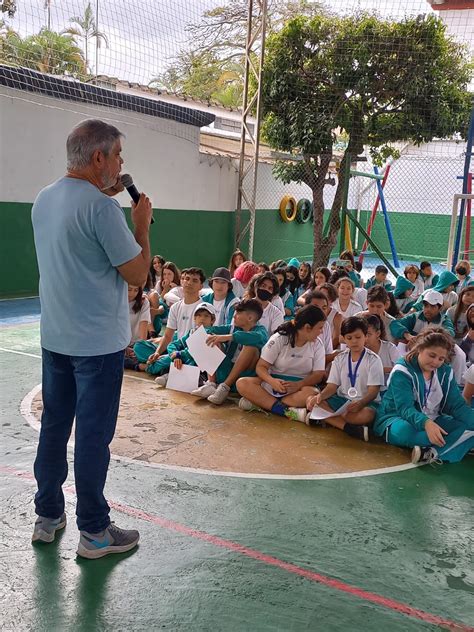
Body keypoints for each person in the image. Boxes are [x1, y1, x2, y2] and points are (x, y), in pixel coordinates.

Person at [31, 119, 152, 558]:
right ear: (99, 157)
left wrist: (104, 197)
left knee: (54, 427)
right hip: (97, 346)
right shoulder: (102, 211)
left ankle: (48, 517)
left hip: (55, 338)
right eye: (118, 154)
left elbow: (78, 240)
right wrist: (142, 223)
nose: (122, 164)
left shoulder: (44, 200)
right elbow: (138, 274)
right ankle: (96, 533)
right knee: (92, 438)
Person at [374, 329, 474, 463]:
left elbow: (456, 405)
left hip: (434, 419)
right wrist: (426, 423)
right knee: (414, 433)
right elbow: (405, 408)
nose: (436, 362)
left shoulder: (445, 371)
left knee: (463, 427)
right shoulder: (402, 371)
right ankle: (443, 448)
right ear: (420, 349)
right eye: (432, 355)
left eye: (441, 358)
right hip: (398, 418)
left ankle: (431, 453)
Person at [236, 305, 327, 421]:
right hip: (273, 384)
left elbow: (318, 375)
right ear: (307, 327)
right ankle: (287, 412)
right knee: (242, 383)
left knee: (312, 393)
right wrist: (272, 381)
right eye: (320, 328)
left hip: (299, 387)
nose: (321, 332)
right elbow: (261, 367)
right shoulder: (280, 338)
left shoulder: (318, 344)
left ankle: (263, 404)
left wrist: (299, 385)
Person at [305, 317, 385, 441]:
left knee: (368, 414)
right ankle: (347, 427)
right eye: (349, 338)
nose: (354, 341)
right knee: (311, 401)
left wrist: (361, 403)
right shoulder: (340, 358)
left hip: (365, 403)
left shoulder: (373, 360)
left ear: (365, 336)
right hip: (342, 400)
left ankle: (327, 419)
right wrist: (320, 396)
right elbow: (332, 386)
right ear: (344, 339)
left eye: (358, 337)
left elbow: (373, 391)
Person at [191, 298, 269, 404]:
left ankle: (224, 388)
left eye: (238, 313)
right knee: (211, 339)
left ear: (250, 318)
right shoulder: (232, 328)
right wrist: (206, 333)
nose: (234, 316)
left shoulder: (260, 330)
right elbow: (210, 329)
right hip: (225, 371)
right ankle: (211, 384)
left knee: (250, 348)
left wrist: (229, 337)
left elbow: (258, 338)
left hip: (243, 378)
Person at [134, 267, 205, 367]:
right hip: (173, 349)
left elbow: (201, 342)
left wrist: (177, 354)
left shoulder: (204, 308)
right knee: (139, 346)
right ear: (182, 281)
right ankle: (163, 365)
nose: (189, 283)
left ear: (201, 286)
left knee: (185, 360)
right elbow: (168, 336)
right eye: (187, 279)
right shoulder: (175, 307)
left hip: (190, 353)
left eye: (195, 280)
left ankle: (149, 367)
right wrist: (157, 353)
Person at [146, 303, 217, 376]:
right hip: (182, 358)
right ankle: (159, 370)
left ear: (212, 320)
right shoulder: (192, 332)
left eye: (206, 316)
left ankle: (166, 373)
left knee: (173, 361)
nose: (202, 318)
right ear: (194, 319)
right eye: (199, 315)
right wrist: (175, 355)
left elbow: (194, 352)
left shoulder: (210, 334)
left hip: (195, 363)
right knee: (162, 359)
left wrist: (178, 354)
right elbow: (173, 344)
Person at [364, 314, 401, 387]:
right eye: (362, 334)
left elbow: (401, 368)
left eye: (368, 334)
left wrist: (382, 370)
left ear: (378, 333)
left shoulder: (389, 348)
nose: (365, 338)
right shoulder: (359, 349)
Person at [124, 285, 151, 370]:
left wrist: (139, 348)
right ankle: (138, 366)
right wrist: (124, 348)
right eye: (129, 290)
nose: (132, 293)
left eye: (136, 290)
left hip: (136, 345)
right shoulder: (115, 300)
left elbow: (143, 325)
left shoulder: (144, 302)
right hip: (119, 345)